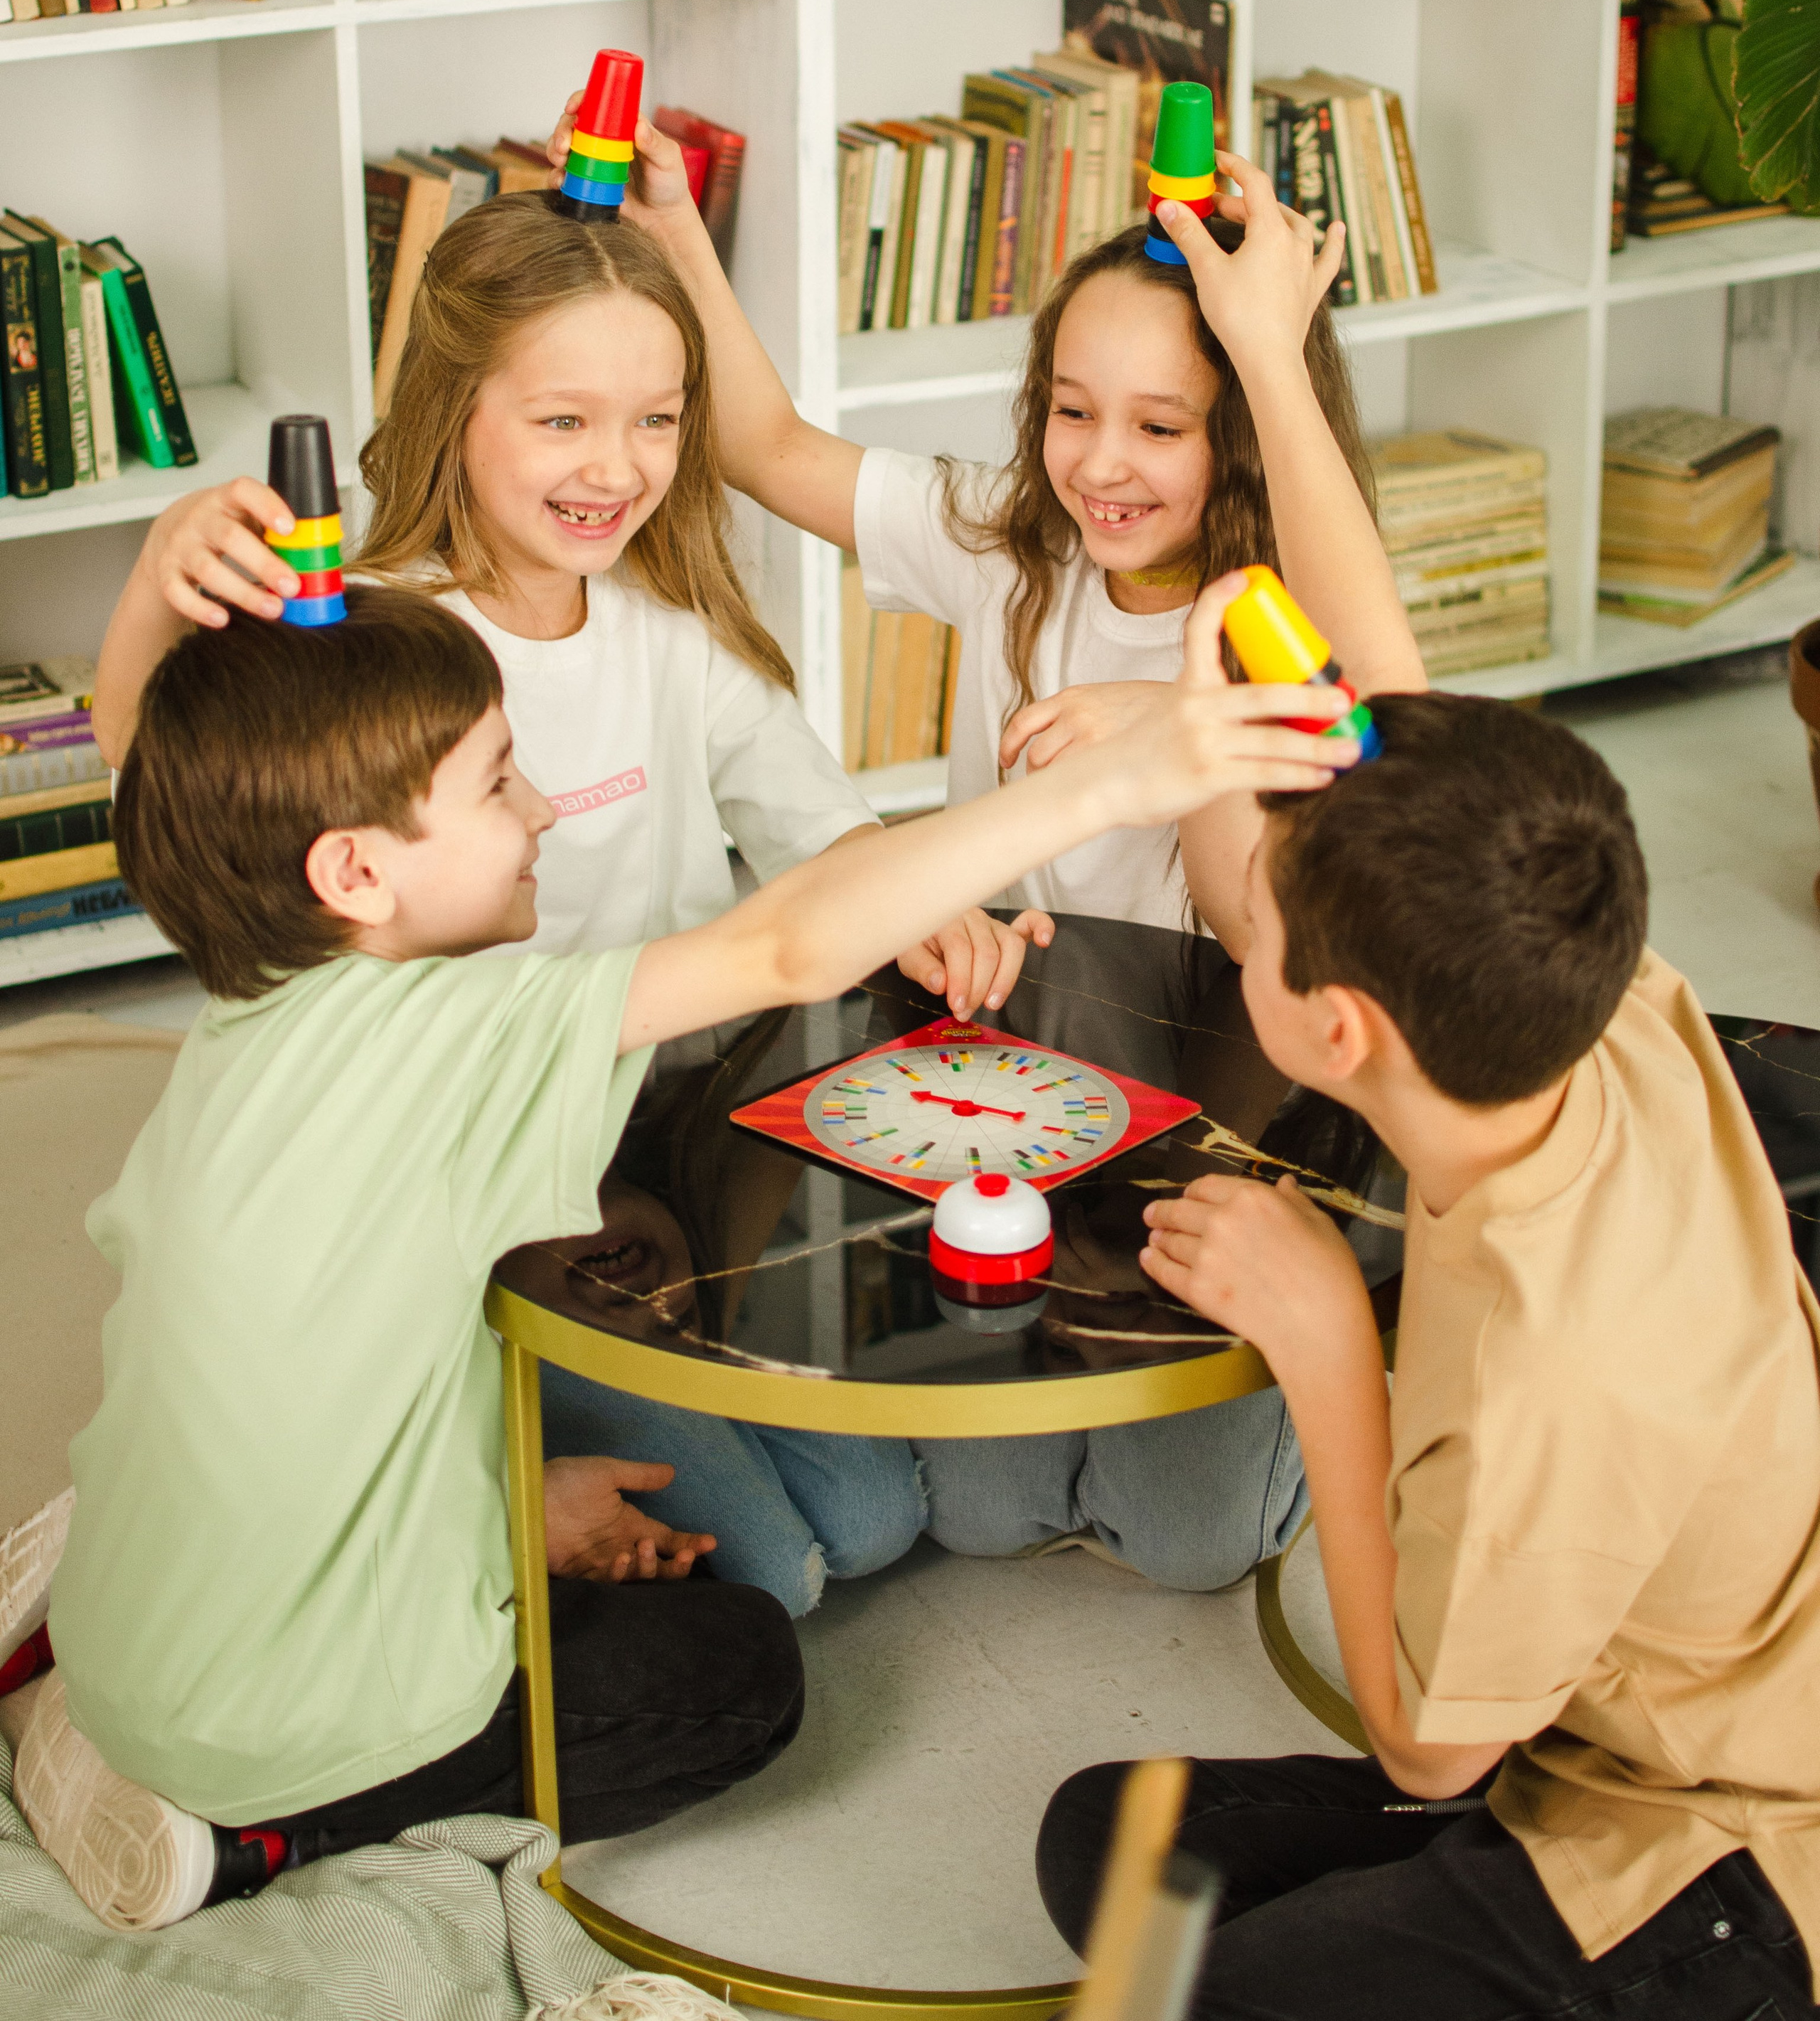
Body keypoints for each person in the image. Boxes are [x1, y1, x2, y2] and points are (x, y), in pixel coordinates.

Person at [21, 575, 1357, 1934]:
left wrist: (514, 1509)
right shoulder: (457, 1033)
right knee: (737, 1673)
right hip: (265, 1718)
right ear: (355, 869)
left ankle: (142, 1721)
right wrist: (1124, 779)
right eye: (497, 784)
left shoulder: (245, 1017)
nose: (544, 807)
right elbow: (783, 941)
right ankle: (255, 1832)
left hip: (125, 1621)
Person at [87, 198, 1045, 1620]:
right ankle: (472, 1463)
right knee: (772, 1576)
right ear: (453, 412)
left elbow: (817, 830)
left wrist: (924, 907)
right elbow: (151, 780)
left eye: (657, 421)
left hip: (652, 1160)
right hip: (468, 1195)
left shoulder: (676, 640)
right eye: (563, 423)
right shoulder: (372, 648)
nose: (617, 468)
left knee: (873, 1511)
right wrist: (153, 589)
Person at [537, 100, 1424, 1592]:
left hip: (1210, 1109)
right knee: (986, 1510)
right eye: (1072, 410)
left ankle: (1370, 1369)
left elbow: (1376, 720)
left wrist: (1162, 713)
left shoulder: (1277, 615)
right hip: (1004, 1095)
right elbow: (759, 448)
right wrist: (677, 228)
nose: (1102, 465)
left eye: (1159, 426)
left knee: (1187, 1541)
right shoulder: (1005, 540)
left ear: (1245, 436)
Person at [1039, 693, 1820, 2020]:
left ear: (1338, 1030)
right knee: (1115, 1850)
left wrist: (1326, 1341)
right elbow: (1426, 742)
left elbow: (1431, 1744)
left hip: (1740, 1861)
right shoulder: (1591, 993)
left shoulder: (1560, 1370)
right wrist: (1208, 675)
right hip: (1603, 1748)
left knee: (1178, 2000)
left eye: (1257, 922)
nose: (1237, 919)